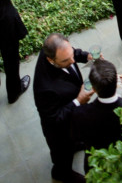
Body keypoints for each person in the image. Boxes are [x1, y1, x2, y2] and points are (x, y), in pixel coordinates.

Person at [33, 33, 93, 183]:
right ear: (50, 60)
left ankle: (75, 143)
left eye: (71, 55)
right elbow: (54, 119)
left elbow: (72, 53)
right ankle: (62, 173)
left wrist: (86, 56)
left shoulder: (59, 49)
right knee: (62, 155)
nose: (72, 61)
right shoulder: (44, 88)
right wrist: (78, 101)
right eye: (66, 61)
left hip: (72, 119)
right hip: (59, 130)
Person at [68, 60, 122, 170]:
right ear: (117, 83)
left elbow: (75, 136)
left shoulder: (79, 114)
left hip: (98, 166)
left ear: (94, 89)